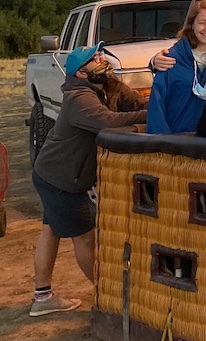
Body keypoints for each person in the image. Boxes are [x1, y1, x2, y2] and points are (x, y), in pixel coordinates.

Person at [30, 44, 147, 316]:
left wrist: (162, 107)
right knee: (85, 238)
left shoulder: (108, 86)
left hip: (53, 172)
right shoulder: (78, 97)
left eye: (99, 55)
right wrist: (148, 121)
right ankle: (111, 298)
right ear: (81, 74)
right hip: (62, 180)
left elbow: (140, 103)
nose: (102, 59)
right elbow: (107, 121)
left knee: (52, 229)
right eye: (94, 59)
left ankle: (42, 296)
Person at [146, 0, 206, 133]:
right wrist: (163, 144)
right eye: (202, 23)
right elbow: (157, 107)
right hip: (177, 143)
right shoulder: (170, 60)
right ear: (192, 24)